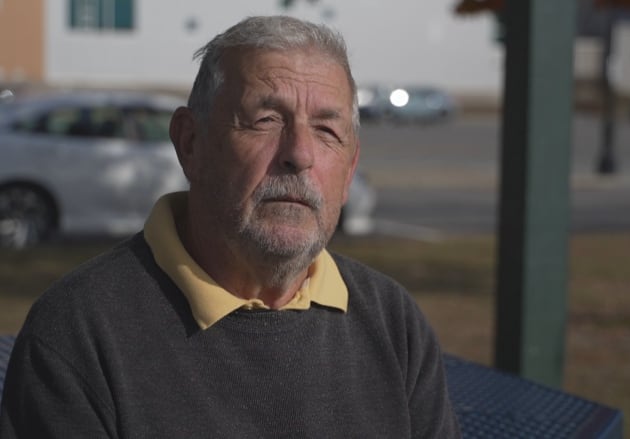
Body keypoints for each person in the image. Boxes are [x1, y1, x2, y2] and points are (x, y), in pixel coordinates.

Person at [0, 16, 461, 438]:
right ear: (191, 143)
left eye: (327, 131)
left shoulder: (392, 321)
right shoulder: (80, 332)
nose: (299, 154)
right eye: (266, 120)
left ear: (350, 168)